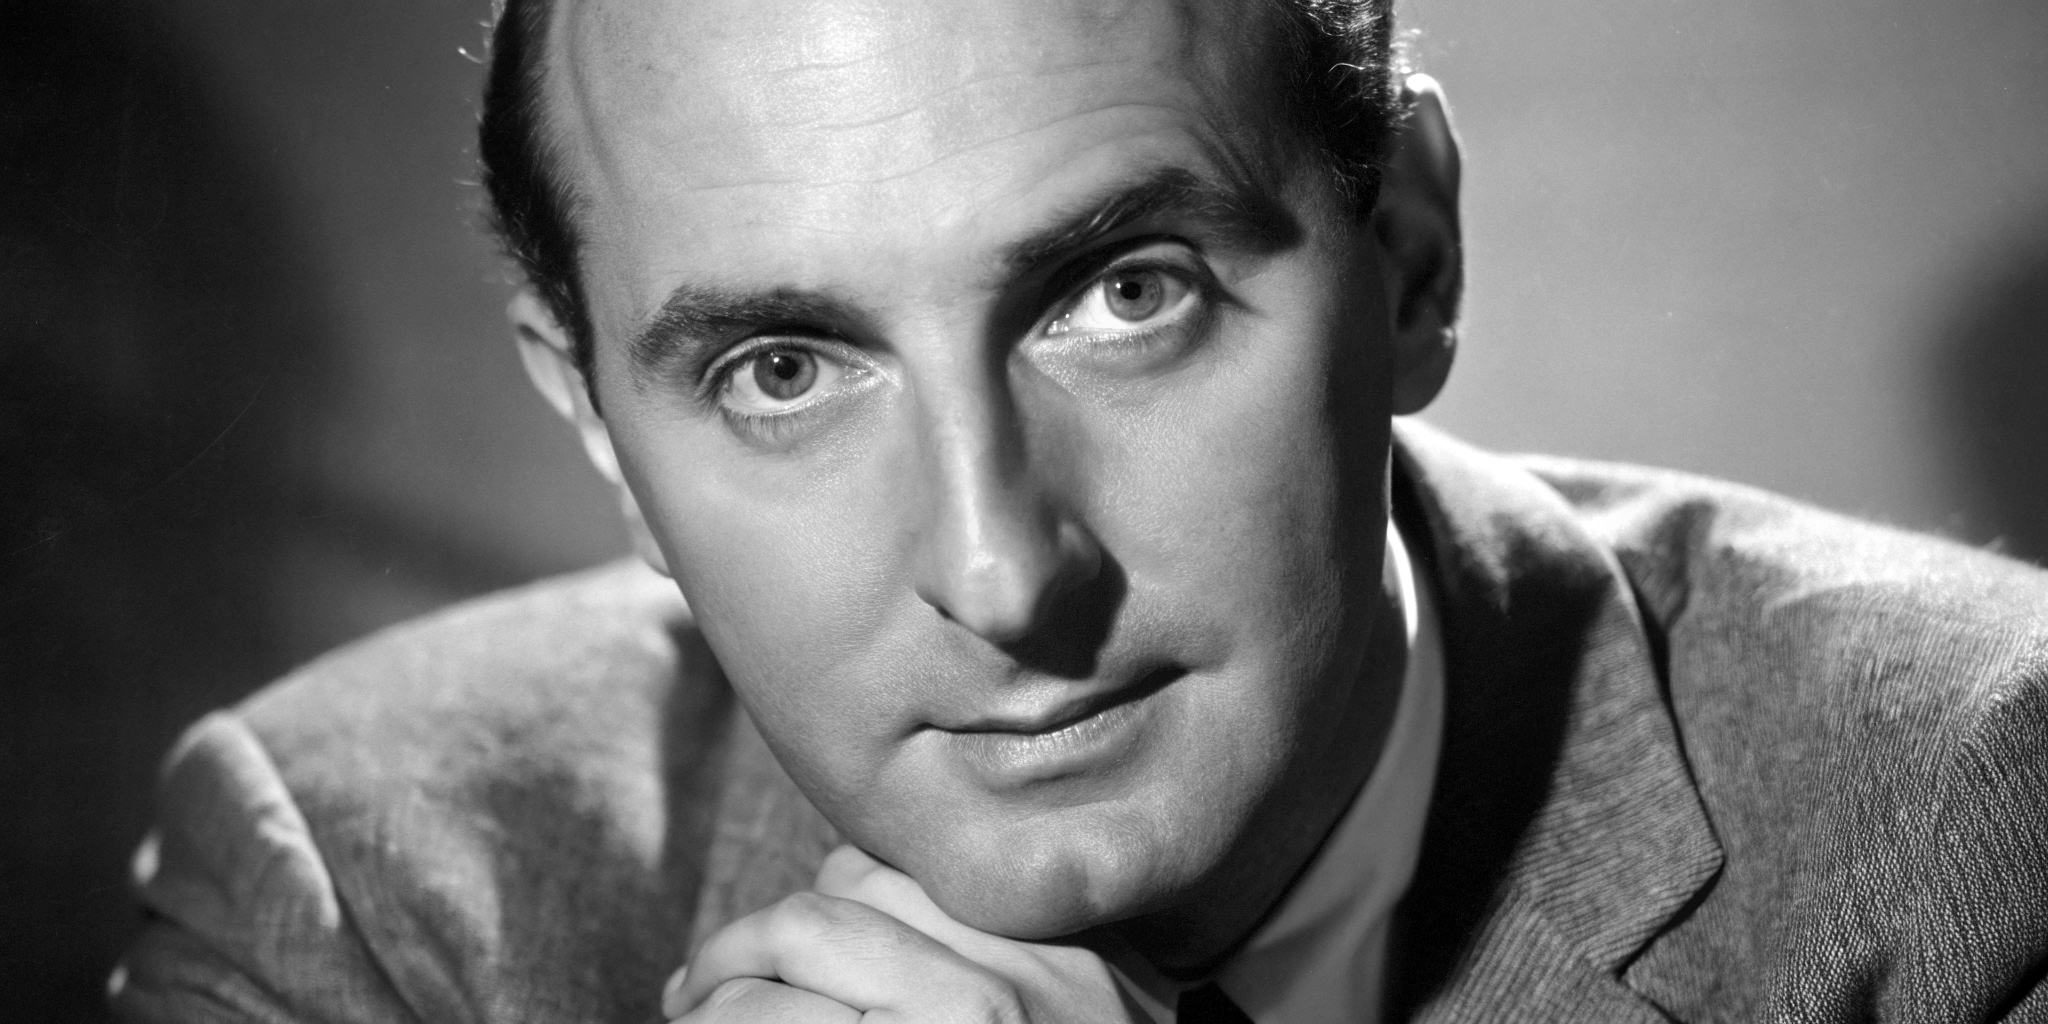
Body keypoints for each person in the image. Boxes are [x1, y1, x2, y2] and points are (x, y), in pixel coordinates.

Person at [111, 0, 2048, 1021]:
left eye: (1125, 294)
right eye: (781, 369)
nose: (999, 573)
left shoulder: (1982, 819)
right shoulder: (371, 897)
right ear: (604, 430)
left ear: (1409, 254)